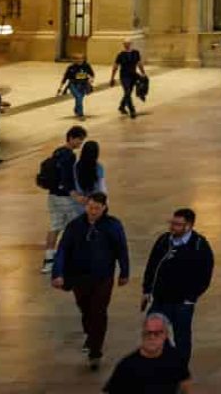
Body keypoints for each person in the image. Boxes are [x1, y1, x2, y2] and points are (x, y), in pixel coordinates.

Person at [53, 191, 132, 371]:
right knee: (85, 308)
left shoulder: (113, 226)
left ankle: (95, 351)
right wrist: (57, 273)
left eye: (97, 208)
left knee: (99, 310)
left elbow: (122, 249)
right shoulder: (75, 226)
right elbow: (63, 249)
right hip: (79, 276)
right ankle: (91, 334)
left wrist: (124, 272)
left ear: (104, 208)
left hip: (103, 277)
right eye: (90, 207)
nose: (93, 211)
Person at [140, 207, 214, 362]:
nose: (172, 227)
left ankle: (179, 370)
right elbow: (152, 265)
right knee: (151, 330)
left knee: (182, 338)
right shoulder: (163, 240)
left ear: (189, 226)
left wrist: (192, 297)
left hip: (183, 302)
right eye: (172, 223)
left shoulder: (199, 245)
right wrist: (147, 290)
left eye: (177, 224)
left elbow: (205, 274)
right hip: (161, 299)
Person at [102, 312, 191, 393]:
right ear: (142, 334)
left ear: (165, 335)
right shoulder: (127, 366)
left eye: (157, 333)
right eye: (148, 333)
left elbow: (185, 384)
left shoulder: (175, 358)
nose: (152, 337)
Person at [40, 125, 89, 272]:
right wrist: (75, 195)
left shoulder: (57, 152)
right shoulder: (69, 155)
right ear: (72, 138)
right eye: (79, 140)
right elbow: (66, 178)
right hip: (65, 198)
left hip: (52, 196)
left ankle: (49, 259)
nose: (80, 144)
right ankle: (71, 257)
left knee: (54, 227)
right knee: (75, 227)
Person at [111, 41, 147, 119]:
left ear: (131, 44)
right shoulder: (120, 55)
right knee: (127, 92)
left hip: (133, 75)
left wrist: (143, 73)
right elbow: (115, 66)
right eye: (125, 43)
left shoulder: (136, 53)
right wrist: (112, 78)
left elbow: (139, 63)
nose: (127, 45)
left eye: (128, 43)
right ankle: (132, 110)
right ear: (123, 45)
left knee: (130, 91)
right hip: (124, 76)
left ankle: (122, 106)